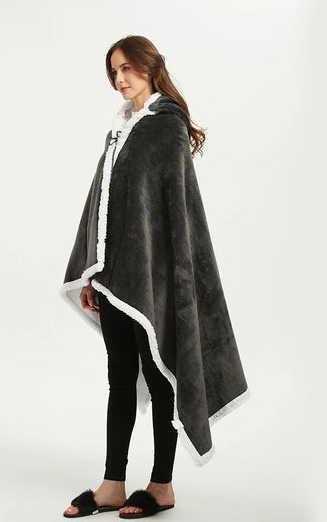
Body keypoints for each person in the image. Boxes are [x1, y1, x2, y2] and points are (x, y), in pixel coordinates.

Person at [60, 35, 249, 519]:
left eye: (127, 68)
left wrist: (166, 279)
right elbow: (103, 207)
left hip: (156, 281)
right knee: (120, 379)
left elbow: (175, 215)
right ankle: (112, 485)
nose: (119, 79)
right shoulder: (121, 128)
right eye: (113, 71)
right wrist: (91, 274)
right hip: (114, 280)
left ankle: (162, 486)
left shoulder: (166, 126)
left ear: (149, 67)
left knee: (163, 376)